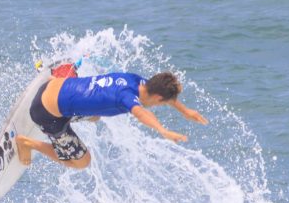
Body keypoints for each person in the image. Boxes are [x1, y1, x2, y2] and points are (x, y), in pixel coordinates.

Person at [16, 71, 209, 169]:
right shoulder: (127, 98)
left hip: (53, 87)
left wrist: (184, 110)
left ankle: (56, 82)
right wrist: (163, 131)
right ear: (158, 98)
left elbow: (163, 93)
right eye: (163, 103)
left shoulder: (137, 81)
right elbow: (141, 114)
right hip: (44, 113)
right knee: (82, 162)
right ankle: (27, 143)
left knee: (95, 116)